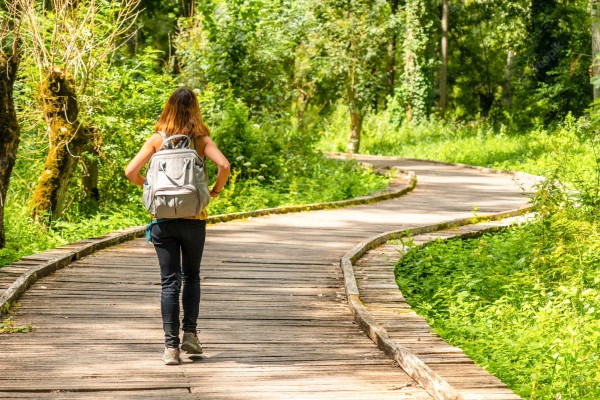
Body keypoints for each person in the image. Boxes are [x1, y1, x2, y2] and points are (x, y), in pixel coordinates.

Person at [125, 88, 230, 365]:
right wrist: (214, 192)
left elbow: (130, 171)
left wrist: (147, 186)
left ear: (168, 108)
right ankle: (190, 336)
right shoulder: (200, 140)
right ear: (195, 109)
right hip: (194, 220)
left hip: (162, 221)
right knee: (192, 275)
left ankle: (170, 348)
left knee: (170, 281)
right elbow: (224, 166)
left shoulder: (157, 139)